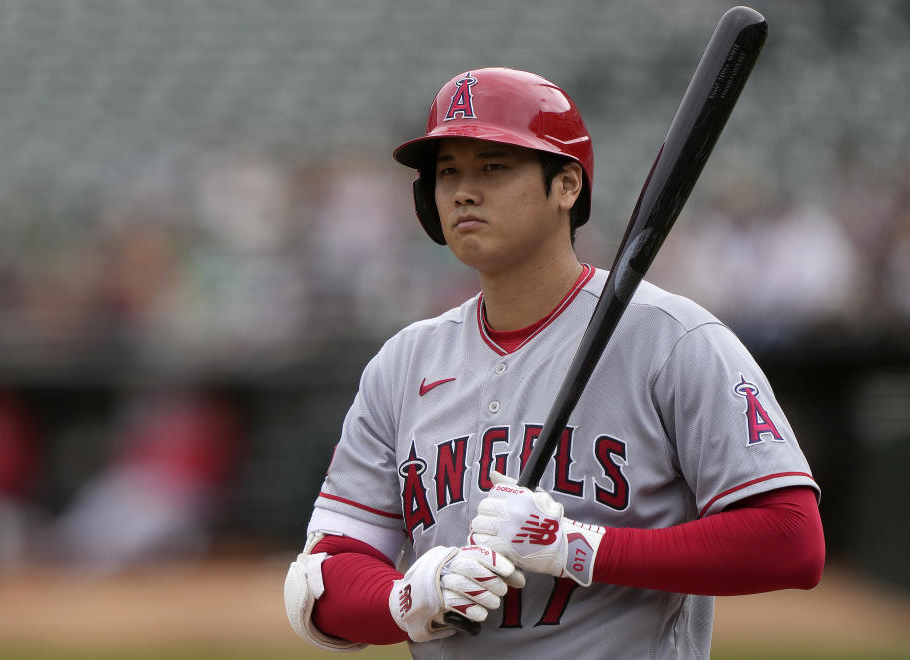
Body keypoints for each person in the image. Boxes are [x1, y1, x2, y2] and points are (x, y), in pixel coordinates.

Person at [284, 67, 824, 659]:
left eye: (493, 166)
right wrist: (415, 598)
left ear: (566, 185)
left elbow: (791, 540)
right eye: (447, 172)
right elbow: (324, 578)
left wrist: (575, 547)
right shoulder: (403, 364)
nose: (464, 191)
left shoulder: (671, 338)